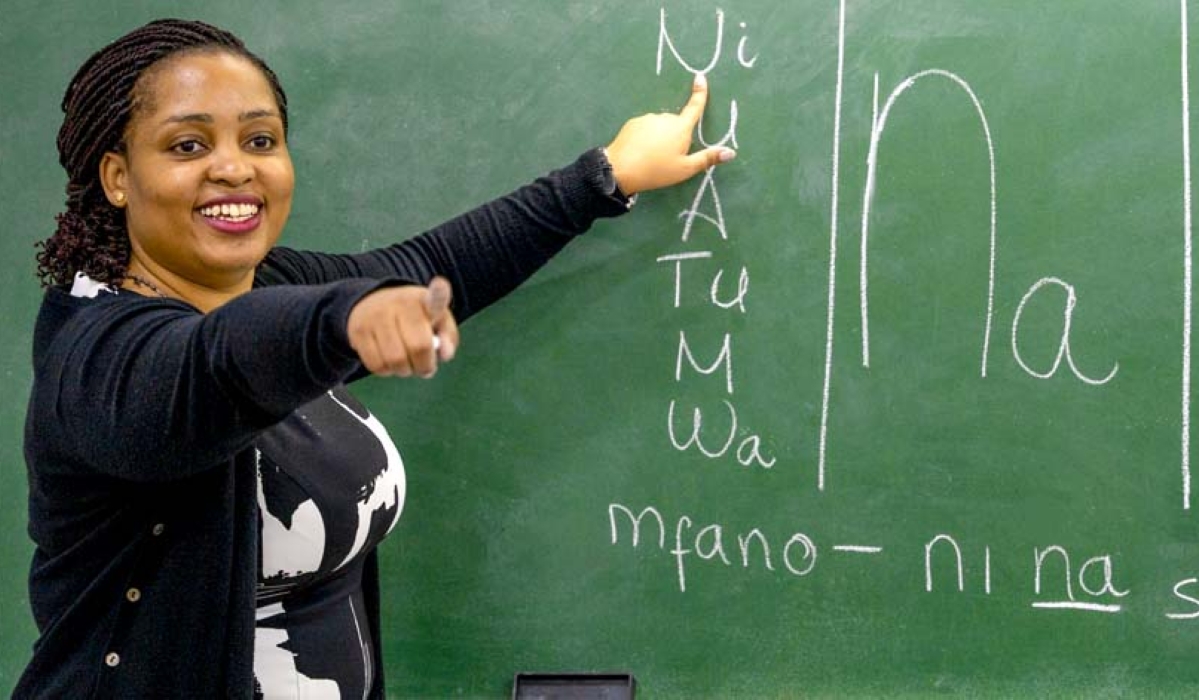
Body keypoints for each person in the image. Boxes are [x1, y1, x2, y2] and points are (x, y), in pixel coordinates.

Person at [16, 17, 734, 700]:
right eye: (187, 147)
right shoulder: (98, 356)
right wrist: (346, 317)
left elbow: (424, 263)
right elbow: (216, 363)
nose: (234, 168)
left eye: (261, 140)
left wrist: (603, 177)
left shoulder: (262, 282)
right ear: (117, 176)